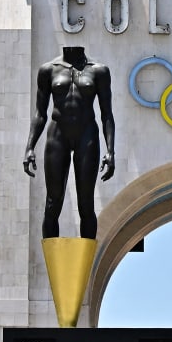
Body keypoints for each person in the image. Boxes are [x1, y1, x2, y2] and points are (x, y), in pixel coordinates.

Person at [23, 45, 116, 239]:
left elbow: (106, 113)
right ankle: (53, 265)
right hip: (58, 135)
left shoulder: (99, 71)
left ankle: (86, 265)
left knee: (86, 203)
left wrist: (110, 151)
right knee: (52, 202)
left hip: (87, 134)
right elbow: (40, 113)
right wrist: (29, 147)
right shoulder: (48, 70)